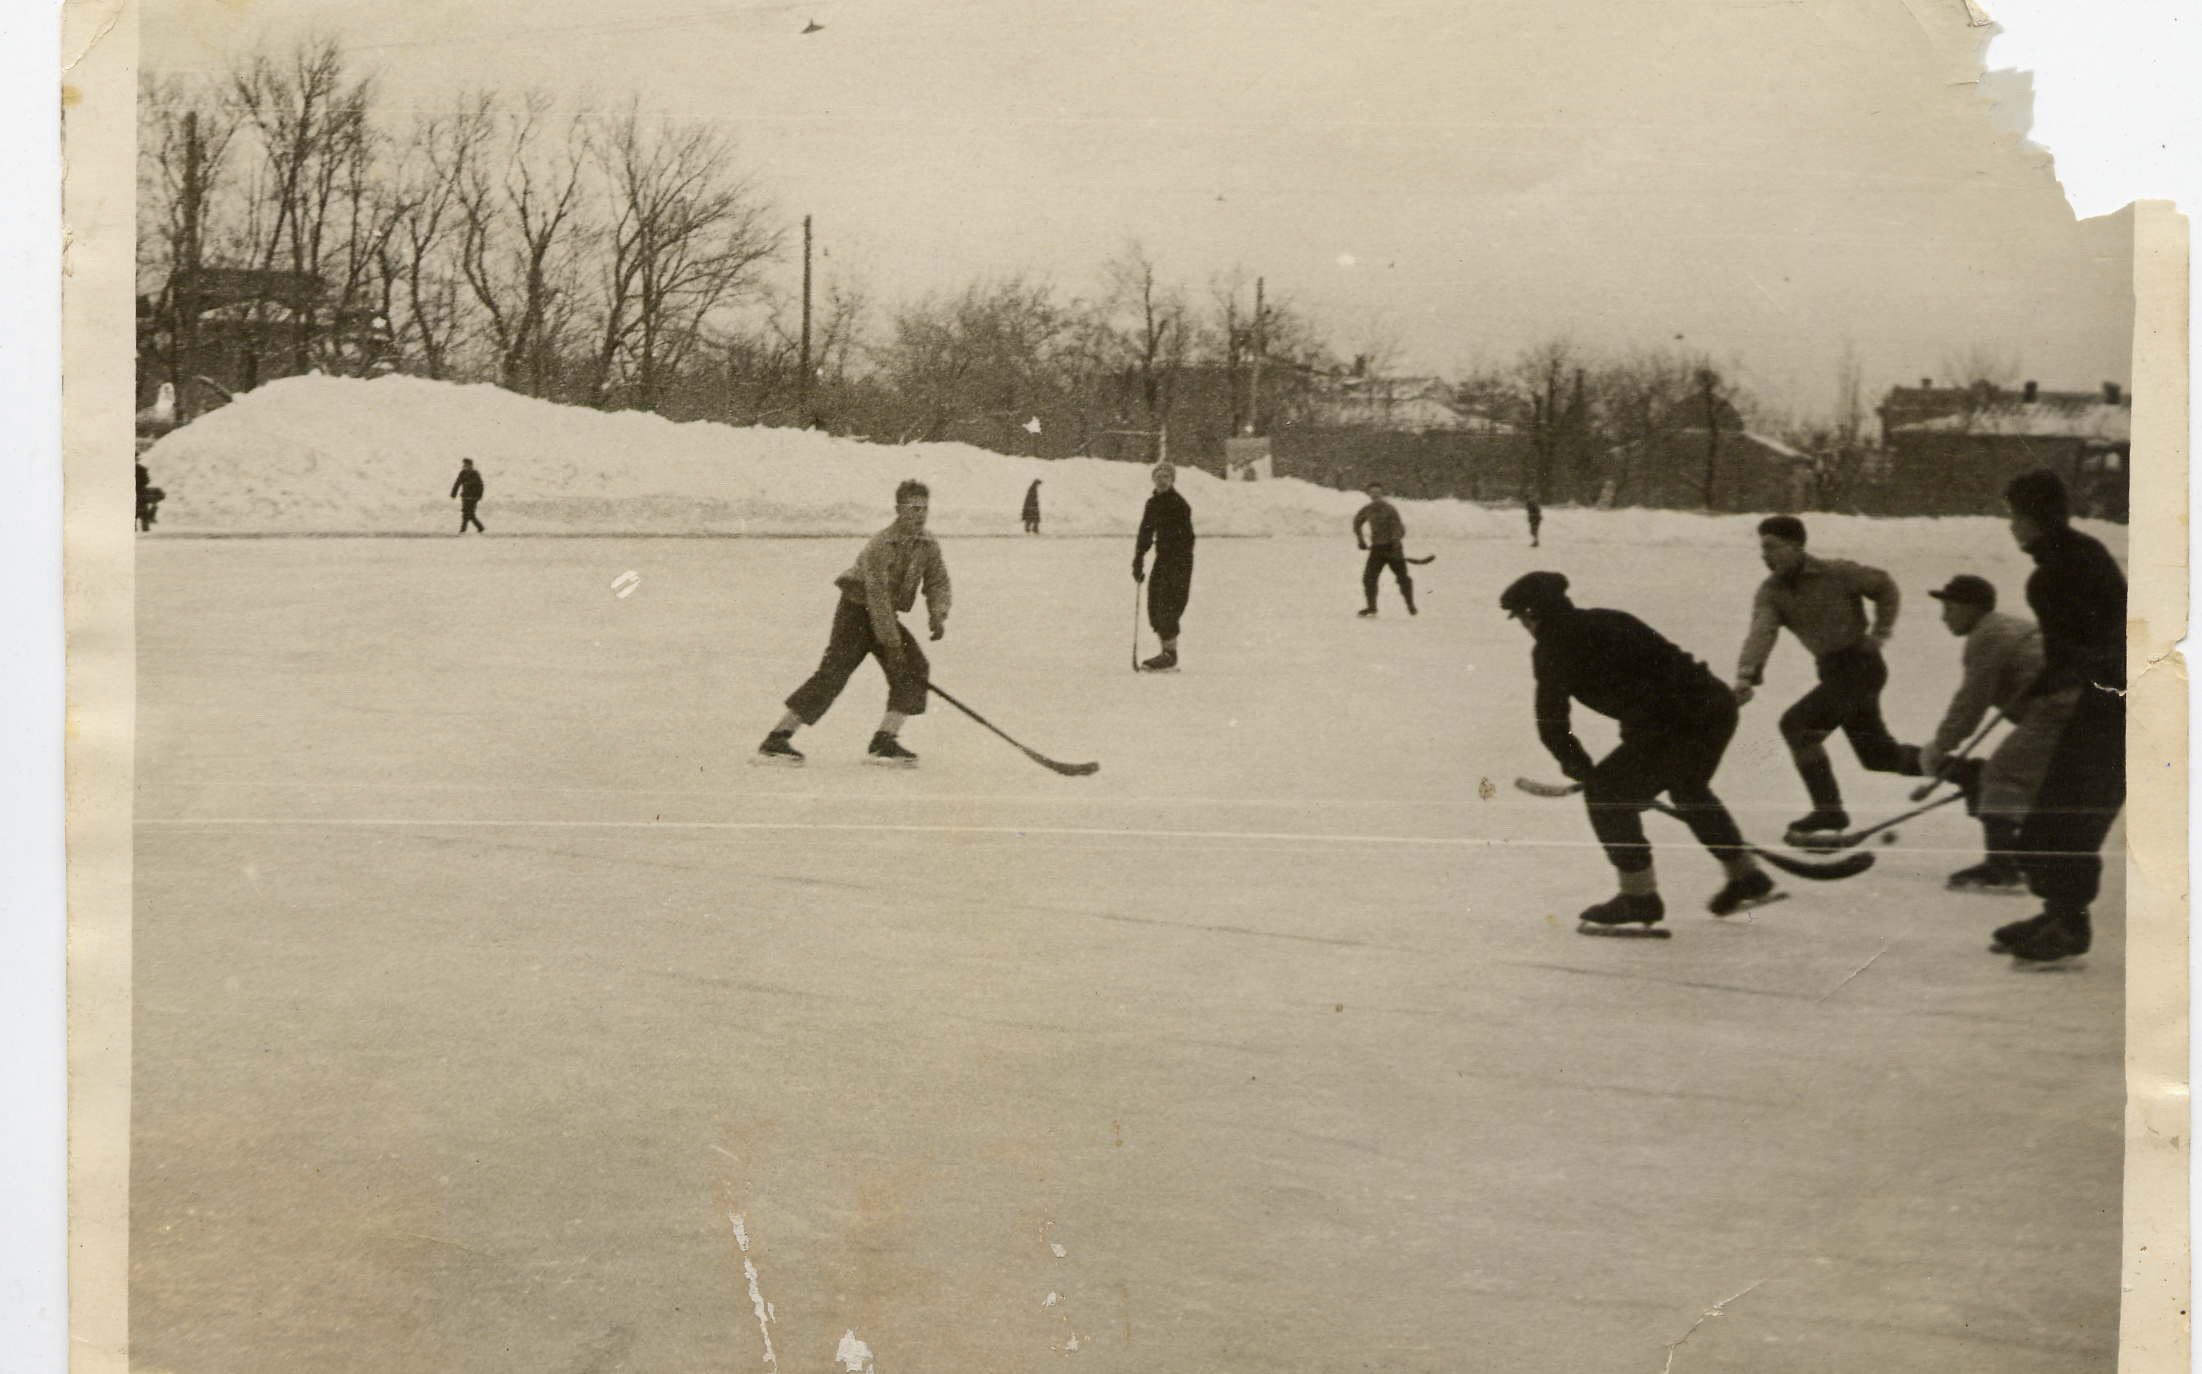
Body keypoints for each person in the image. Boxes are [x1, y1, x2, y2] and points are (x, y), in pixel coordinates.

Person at [1503, 571, 1776, 935]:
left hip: (1674, 722)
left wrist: (1584, 770)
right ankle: (1746, 876)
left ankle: (1638, 897)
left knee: (1607, 797)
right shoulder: (1611, 618)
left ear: (1532, 614)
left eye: (1522, 618)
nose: (1524, 625)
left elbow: (1552, 723)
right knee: (1689, 789)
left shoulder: (1552, 647)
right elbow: (1662, 672)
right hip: (1715, 706)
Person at [1990, 469, 2127, 965]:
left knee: (2072, 813)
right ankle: (2058, 910)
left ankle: (2070, 923)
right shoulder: (2080, 552)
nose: (2011, 527)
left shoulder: (2053, 574)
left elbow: (2089, 645)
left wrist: (2058, 678)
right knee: (2058, 809)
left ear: (2034, 519)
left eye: (2015, 516)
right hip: (2108, 697)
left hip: (2116, 703)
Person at [1731, 515, 1918, 843]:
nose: (1765, 556)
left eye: (1772, 547)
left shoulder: (1837, 572)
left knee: (1797, 726)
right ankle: (1969, 772)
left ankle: (1829, 809)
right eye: (1762, 549)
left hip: (1862, 667)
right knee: (1877, 755)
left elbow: (1885, 586)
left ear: (1797, 546)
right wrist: (1746, 675)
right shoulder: (1771, 592)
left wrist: (1880, 633)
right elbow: (1762, 631)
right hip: (1834, 672)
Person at [757, 479, 950, 767]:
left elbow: (938, 581)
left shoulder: (927, 544)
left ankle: (885, 739)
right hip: (856, 612)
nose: (919, 515)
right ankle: (778, 737)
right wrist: (893, 646)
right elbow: (878, 598)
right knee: (834, 672)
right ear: (898, 509)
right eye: (913, 508)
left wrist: (937, 613)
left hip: (883, 614)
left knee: (915, 667)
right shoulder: (881, 544)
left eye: (924, 508)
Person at [1907, 575, 2071, 893]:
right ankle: (2024, 859)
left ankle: (2002, 869)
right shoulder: (2007, 628)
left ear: (1972, 608)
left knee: (2004, 774)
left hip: (2058, 708)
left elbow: (1972, 700)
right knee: (2031, 781)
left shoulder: (1988, 635)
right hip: (2075, 707)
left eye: (1950, 608)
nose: (1944, 617)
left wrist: (1941, 746)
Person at [1133, 463, 1195, 672]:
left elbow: (1188, 538)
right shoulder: (1152, 504)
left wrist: (1177, 558)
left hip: (1179, 561)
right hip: (1163, 559)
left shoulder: (1180, 505)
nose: (1162, 479)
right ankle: (1166, 652)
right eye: (1158, 476)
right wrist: (1139, 558)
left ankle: (1170, 655)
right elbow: (1146, 532)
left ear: (1172, 480)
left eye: (1166, 476)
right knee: (1155, 604)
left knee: (1170, 605)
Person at [1352, 482, 1417, 617]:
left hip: (1393, 548)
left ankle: (1410, 605)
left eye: (1378, 492)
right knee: (1369, 578)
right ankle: (1371, 608)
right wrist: (1360, 539)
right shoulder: (1367, 509)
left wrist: (1395, 543)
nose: (1375, 495)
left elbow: (1398, 528)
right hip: (1377, 549)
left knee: (1402, 578)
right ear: (1368, 494)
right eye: (1372, 492)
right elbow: (1357, 522)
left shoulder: (1390, 509)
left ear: (1382, 494)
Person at [450, 458, 486, 534]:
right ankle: (476, 528)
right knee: (466, 513)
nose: (465, 466)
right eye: (464, 465)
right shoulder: (462, 473)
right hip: (465, 496)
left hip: (473, 497)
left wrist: (479, 495)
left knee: (469, 513)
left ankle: (468, 529)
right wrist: (453, 493)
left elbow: (481, 486)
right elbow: (457, 483)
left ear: (471, 465)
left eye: (467, 465)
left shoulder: (475, 473)